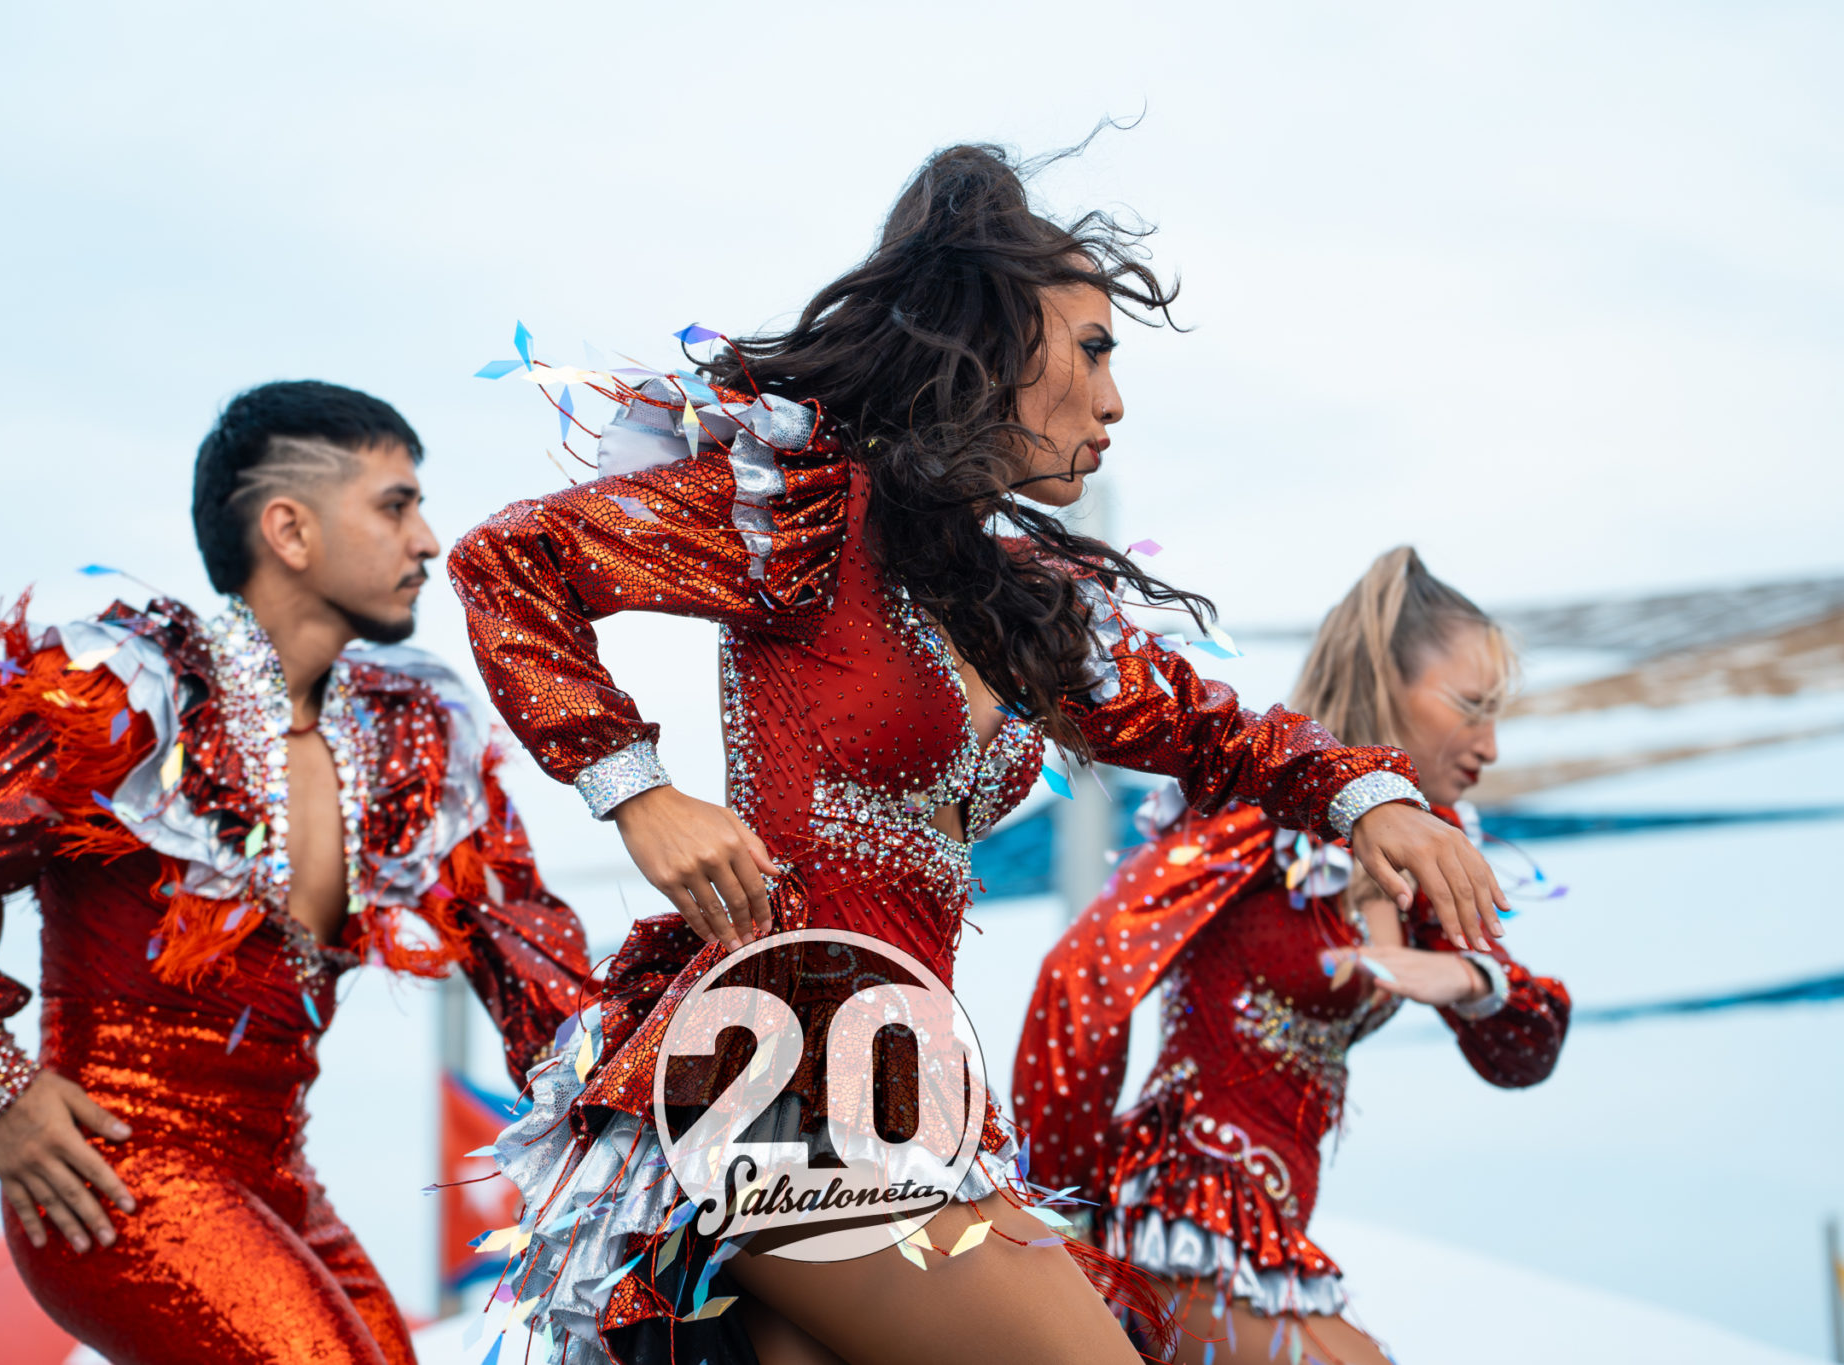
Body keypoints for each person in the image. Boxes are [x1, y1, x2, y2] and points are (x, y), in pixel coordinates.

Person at [447, 144, 1511, 1365]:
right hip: (782, 1067)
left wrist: (1365, 796)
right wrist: (636, 789)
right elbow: (509, 563)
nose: (1113, 402)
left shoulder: (1020, 606)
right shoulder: (804, 516)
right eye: (1093, 351)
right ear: (996, 346)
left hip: (909, 1087)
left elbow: (1212, 729)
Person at [0, 381, 590, 1365]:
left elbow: (530, 953)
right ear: (289, 530)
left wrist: (653, 1106)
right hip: (114, 1176)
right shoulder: (124, 689)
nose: (427, 541)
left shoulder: (411, 732)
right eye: (395, 505)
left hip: (280, 1181)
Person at [1013, 547, 1570, 1364]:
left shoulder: (1423, 853)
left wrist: (1469, 976)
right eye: (1470, 706)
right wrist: (1066, 1226)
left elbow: (1524, 1050)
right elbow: (1083, 976)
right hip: (1186, 1216)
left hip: (1274, 1238)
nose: (1490, 743)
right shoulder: (1257, 819)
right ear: (1386, 684)